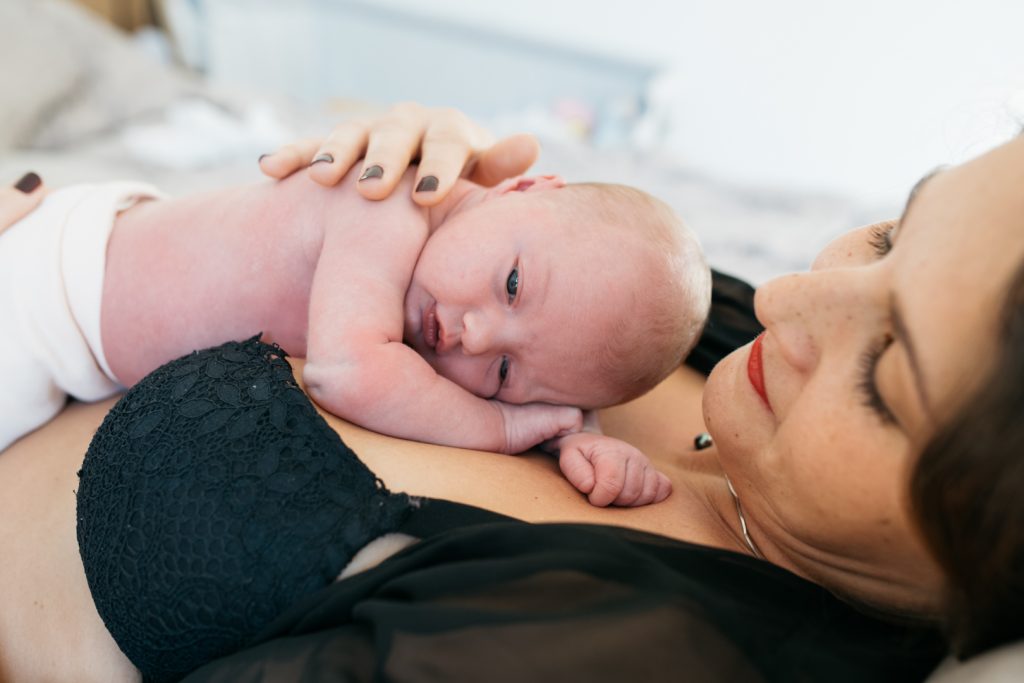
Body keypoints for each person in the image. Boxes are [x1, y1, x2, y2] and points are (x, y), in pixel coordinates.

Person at [1, 102, 1022, 682]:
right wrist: (408, 184)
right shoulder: (710, 329)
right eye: (890, 232)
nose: (793, 297)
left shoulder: (617, 652)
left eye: (884, 375)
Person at [0, 162, 711, 506]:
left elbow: (554, 366)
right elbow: (347, 373)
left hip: (97, 251)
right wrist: (499, 422)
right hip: (43, 302)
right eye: (513, 285)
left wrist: (575, 431)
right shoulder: (387, 210)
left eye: (502, 370)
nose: (470, 333)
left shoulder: (464, 268)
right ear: (524, 187)